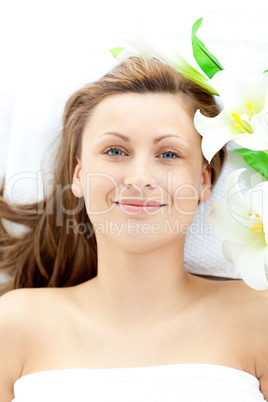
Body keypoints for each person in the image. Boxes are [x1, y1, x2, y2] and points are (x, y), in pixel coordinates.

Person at [0, 56, 267, 402]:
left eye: (169, 154)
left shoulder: (257, 317)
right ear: (79, 175)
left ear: (204, 181)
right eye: (115, 150)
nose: (140, 178)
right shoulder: (16, 322)